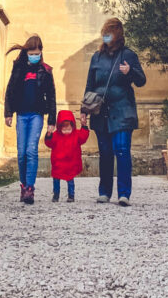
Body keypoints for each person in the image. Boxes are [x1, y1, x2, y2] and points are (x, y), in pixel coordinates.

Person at [83, 17, 146, 207]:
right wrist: (83, 110)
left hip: (122, 111)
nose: (105, 36)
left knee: (122, 150)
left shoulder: (128, 55)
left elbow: (142, 80)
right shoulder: (96, 57)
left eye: (109, 32)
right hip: (101, 111)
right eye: (104, 33)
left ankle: (124, 193)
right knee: (105, 152)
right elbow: (90, 84)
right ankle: (104, 192)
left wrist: (130, 72)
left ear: (117, 35)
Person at [4, 34, 56, 205]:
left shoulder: (46, 71)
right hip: (22, 114)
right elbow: (10, 89)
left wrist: (51, 122)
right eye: (31, 52)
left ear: (41, 52)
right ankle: (23, 185)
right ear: (27, 52)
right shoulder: (19, 68)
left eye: (37, 53)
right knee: (21, 153)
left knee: (31, 151)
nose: (34, 55)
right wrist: (8, 112)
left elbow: (52, 96)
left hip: (36, 115)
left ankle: (30, 189)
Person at [44, 109, 89, 202]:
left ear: (72, 125)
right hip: (58, 163)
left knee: (70, 181)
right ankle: (56, 195)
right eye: (63, 127)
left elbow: (83, 137)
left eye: (68, 126)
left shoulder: (76, 134)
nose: (66, 129)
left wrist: (84, 126)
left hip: (71, 163)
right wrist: (49, 134)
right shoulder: (56, 135)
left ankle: (71, 195)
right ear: (59, 126)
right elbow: (49, 143)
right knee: (56, 180)